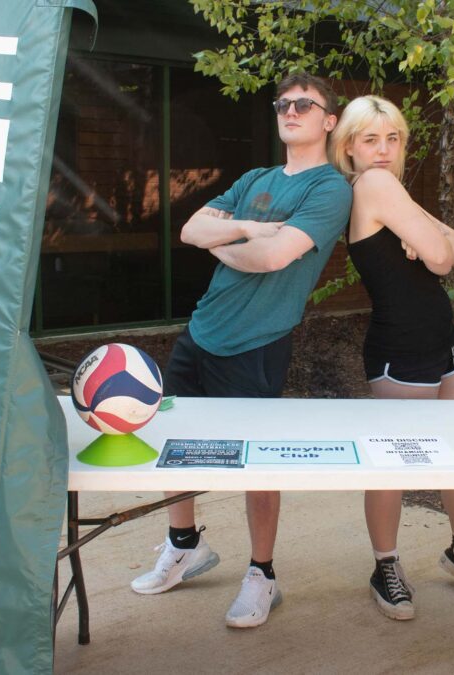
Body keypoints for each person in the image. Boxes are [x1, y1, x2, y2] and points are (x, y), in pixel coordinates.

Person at [129, 73, 352, 629]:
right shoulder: (256, 178)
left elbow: (274, 260)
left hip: (256, 344)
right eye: (284, 103)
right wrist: (252, 229)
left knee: (258, 463)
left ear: (328, 120)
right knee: (174, 446)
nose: (291, 110)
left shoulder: (330, 190)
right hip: (201, 331)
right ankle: (184, 546)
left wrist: (227, 242)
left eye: (306, 104)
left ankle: (262, 574)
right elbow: (189, 230)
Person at [329, 95, 454, 621]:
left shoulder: (393, 188)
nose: (384, 150)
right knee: (391, 466)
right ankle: (385, 566)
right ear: (349, 148)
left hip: (447, 347)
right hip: (401, 353)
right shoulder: (373, 185)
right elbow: (440, 255)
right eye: (371, 140)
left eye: (393, 139)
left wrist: (438, 242)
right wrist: (436, 243)